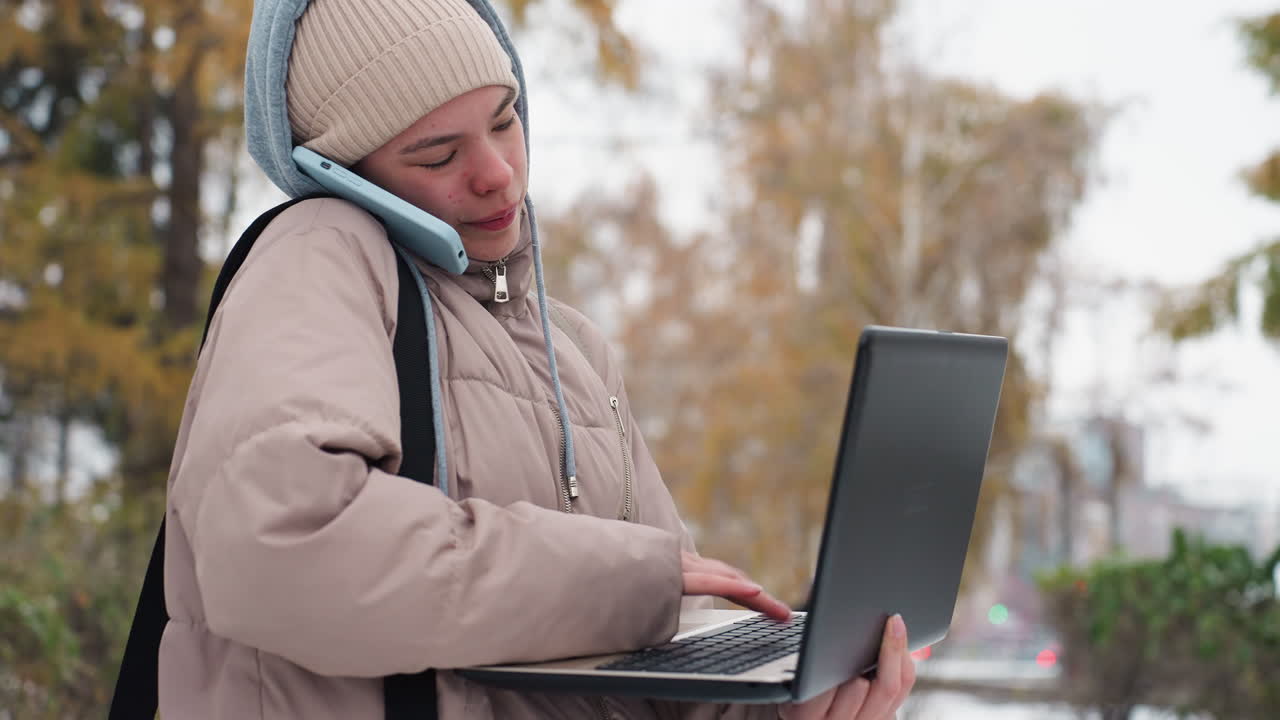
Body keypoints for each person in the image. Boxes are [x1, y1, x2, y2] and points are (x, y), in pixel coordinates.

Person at [157, 0, 917, 717]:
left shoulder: (576, 350)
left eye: (504, 119)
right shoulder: (320, 253)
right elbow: (280, 546)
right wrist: (613, 581)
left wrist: (781, 705)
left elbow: (649, 653)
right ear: (345, 172)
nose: (497, 172)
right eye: (438, 152)